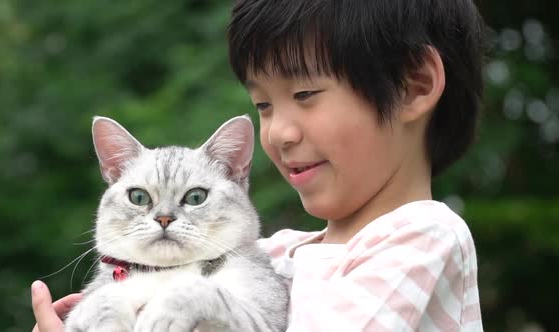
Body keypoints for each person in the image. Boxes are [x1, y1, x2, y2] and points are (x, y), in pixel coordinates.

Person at [32, 0, 487, 330]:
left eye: (305, 95)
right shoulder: (270, 255)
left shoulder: (422, 237)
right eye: (264, 105)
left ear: (413, 86)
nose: (277, 133)